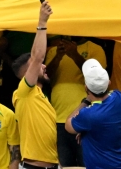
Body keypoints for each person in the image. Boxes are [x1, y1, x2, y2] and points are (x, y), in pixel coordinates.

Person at [45, 35, 107, 166]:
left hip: (87, 117)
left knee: (88, 164)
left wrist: (75, 55)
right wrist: (58, 56)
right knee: (64, 164)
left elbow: (97, 78)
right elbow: (46, 78)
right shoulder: (53, 51)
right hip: (58, 118)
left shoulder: (96, 49)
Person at [11, 0, 59, 169]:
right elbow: (37, 56)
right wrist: (42, 22)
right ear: (28, 72)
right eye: (38, 66)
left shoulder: (41, 96)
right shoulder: (23, 93)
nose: (44, 65)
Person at [64, 59, 121, 169]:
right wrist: (104, 132)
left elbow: (68, 125)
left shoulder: (87, 114)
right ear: (109, 83)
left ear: (86, 88)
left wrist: (86, 101)